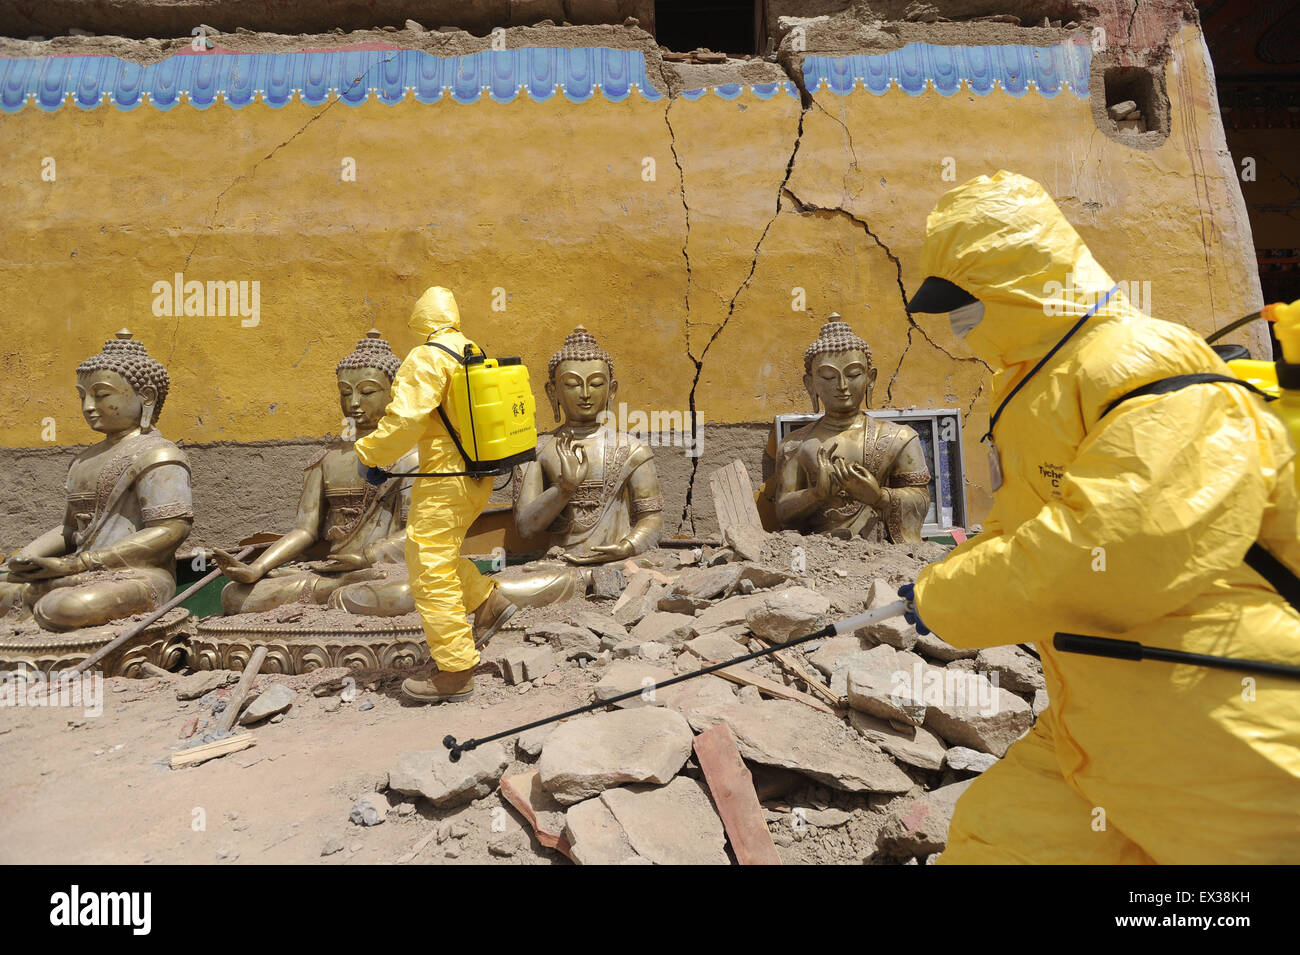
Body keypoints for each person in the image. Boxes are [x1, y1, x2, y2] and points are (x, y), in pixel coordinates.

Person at [902, 170, 1300, 863]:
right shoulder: (1035, 380)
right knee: (996, 842)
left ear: (1020, 285)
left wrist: (948, 598)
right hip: (1096, 706)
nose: (958, 323)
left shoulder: (1140, 362)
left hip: (1212, 714)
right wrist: (948, 574)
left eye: (966, 303)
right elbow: (1024, 527)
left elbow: (1118, 550)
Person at [354, 287, 516, 704]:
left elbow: (405, 418)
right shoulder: (471, 351)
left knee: (430, 568)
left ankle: (456, 671)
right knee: (434, 556)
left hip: (444, 477)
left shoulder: (427, 357)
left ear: (421, 321)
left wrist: (371, 453)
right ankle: (485, 603)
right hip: (478, 475)